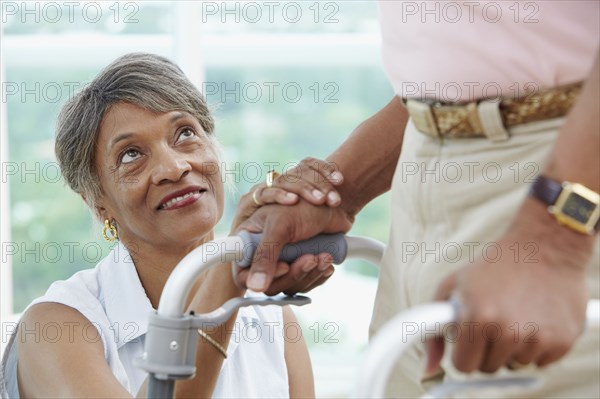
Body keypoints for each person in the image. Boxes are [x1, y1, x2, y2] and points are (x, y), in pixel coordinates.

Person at [234, 1, 600, 397]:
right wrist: (337, 193)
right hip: (419, 178)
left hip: (557, 189)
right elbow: (454, 70)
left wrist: (557, 241)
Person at [0, 52, 339, 398]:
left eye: (185, 133)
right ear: (98, 204)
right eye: (131, 154)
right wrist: (228, 274)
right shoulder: (54, 327)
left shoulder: (273, 321)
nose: (174, 167)